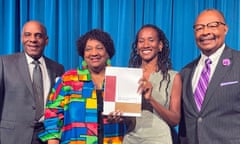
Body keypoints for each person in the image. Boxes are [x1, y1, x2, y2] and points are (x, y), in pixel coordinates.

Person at [39, 29, 126, 144]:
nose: (94, 53)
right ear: (83, 54)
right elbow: (53, 114)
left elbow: (132, 118)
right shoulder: (68, 80)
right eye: (88, 49)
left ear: (108, 52)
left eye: (99, 48)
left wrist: (124, 118)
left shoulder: (120, 79)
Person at [178, 8, 240, 144]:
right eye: (199, 28)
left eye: (212, 26)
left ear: (226, 29)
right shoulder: (185, 72)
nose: (205, 32)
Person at [0, 20, 65, 144]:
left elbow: (60, 106)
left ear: (46, 40)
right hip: (11, 138)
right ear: (21, 38)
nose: (33, 39)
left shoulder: (58, 68)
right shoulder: (4, 63)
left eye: (38, 35)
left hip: (47, 138)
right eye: (28, 34)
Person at [123, 24, 182, 144]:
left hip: (159, 139)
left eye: (151, 40)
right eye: (141, 41)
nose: (145, 45)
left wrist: (151, 100)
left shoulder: (173, 77)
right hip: (131, 139)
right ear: (137, 47)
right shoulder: (127, 76)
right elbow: (124, 114)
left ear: (160, 46)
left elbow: (175, 120)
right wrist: (116, 116)